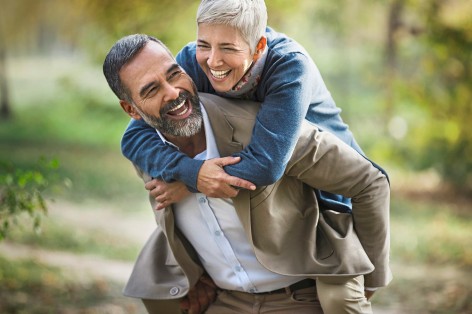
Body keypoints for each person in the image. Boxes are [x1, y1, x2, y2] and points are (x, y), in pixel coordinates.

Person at [103, 34, 392, 314]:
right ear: (132, 110)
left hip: (303, 295)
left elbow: (370, 182)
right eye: (151, 90)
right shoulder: (148, 152)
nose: (173, 92)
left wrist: (374, 278)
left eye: (174, 74)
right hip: (221, 301)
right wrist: (191, 272)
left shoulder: (268, 128)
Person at [121, 0, 383, 213]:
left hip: (330, 197)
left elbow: (265, 164)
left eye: (227, 48)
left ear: (258, 47)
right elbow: (134, 136)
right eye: (204, 44)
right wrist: (189, 171)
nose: (213, 61)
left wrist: (192, 183)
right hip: (275, 206)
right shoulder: (192, 60)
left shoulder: (289, 66)